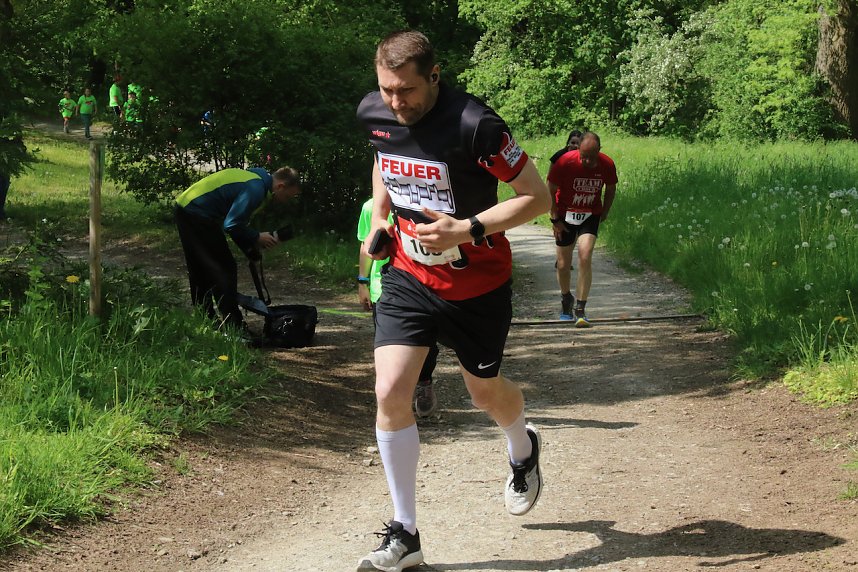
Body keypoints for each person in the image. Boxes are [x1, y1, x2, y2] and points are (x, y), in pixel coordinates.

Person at [355, 30, 551, 572]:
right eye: (387, 90)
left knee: (484, 394)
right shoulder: (374, 112)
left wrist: (466, 229)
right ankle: (406, 534)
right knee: (390, 390)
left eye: (407, 91)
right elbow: (383, 157)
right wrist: (382, 216)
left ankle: (523, 447)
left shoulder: (476, 125)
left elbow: (537, 197)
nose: (396, 103)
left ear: (435, 76)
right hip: (408, 276)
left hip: (477, 286)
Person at [174, 166, 301, 331]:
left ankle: (205, 320)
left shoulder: (257, 179)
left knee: (201, 268)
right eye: (287, 196)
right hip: (196, 214)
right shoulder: (256, 190)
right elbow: (231, 225)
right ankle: (234, 326)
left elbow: (236, 225)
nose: (286, 201)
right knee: (223, 269)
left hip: (186, 207)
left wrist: (250, 249)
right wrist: (256, 237)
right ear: (280, 186)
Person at [357, 197, 439, 418]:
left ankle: (424, 382)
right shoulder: (370, 208)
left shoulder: (422, 205)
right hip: (382, 288)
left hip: (419, 286)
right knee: (387, 348)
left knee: (426, 343)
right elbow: (366, 245)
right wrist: (363, 281)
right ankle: (395, 399)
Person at [547, 131, 617, 326]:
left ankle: (580, 307)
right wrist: (555, 219)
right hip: (565, 214)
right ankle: (566, 299)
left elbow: (611, 188)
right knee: (563, 264)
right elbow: (549, 190)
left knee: (585, 256)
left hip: (590, 214)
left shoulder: (607, 164)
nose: (587, 161)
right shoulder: (565, 162)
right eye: (583, 156)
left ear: (599, 150)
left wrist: (605, 211)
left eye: (591, 157)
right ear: (579, 150)